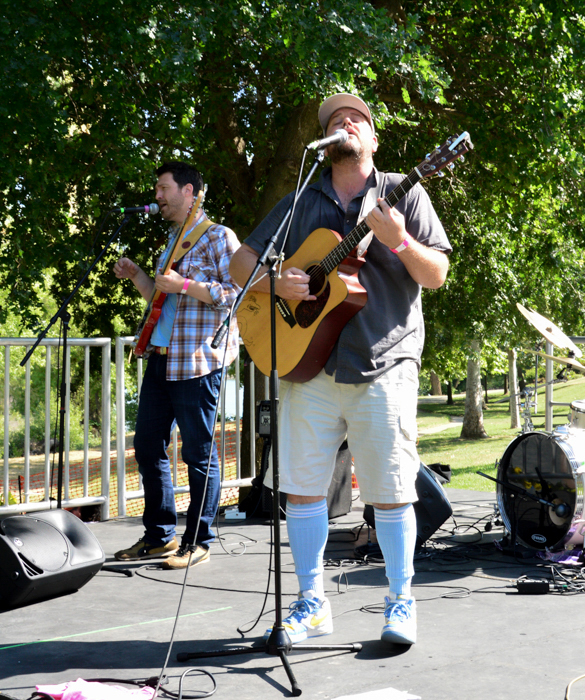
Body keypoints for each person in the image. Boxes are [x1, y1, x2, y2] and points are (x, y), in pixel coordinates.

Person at [230, 93, 451, 646]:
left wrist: (399, 239)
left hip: (384, 359)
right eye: (333, 121)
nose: (343, 123)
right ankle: (311, 604)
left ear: (373, 139)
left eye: (355, 119)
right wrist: (274, 282)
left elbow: (436, 275)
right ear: (325, 143)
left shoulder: (406, 190)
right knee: (302, 490)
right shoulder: (300, 200)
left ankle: (400, 602)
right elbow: (239, 261)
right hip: (309, 365)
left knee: (391, 490)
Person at [113, 161, 242, 569]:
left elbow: (238, 293)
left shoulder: (219, 236)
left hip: (197, 361)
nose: (157, 196)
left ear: (189, 191)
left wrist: (186, 285)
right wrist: (138, 276)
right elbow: (160, 299)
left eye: (163, 188)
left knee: (199, 454)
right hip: (162, 358)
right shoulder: (172, 241)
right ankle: (160, 536)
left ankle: (198, 540)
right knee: (147, 447)